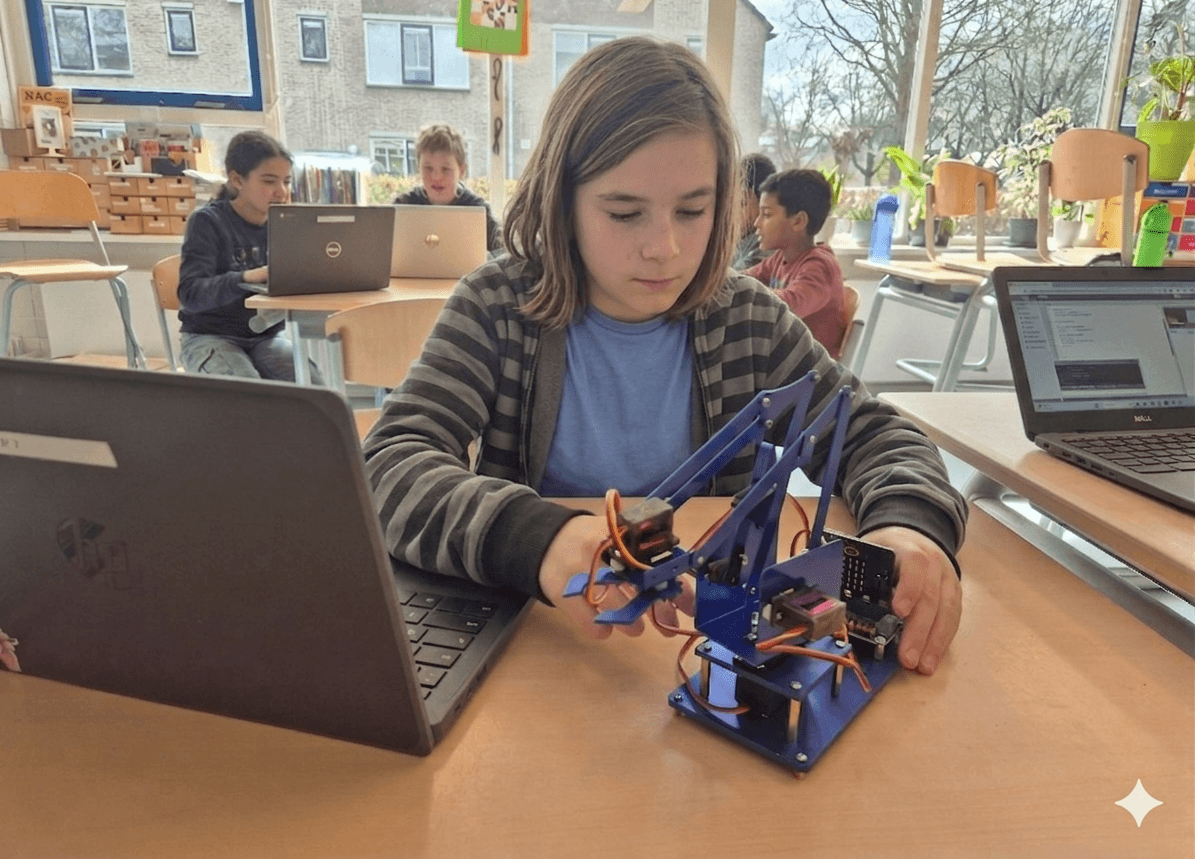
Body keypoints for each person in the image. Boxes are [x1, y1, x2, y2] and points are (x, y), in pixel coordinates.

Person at [363, 37, 965, 677]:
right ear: (560, 200)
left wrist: (911, 529)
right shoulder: (498, 307)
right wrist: (539, 538)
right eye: (625, 213)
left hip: (710, 664)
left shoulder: (749, 322)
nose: (666, 248)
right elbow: (391, 462)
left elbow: (875, 433)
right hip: (544, 652)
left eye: (693, 210)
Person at [177, 130, 323, 383]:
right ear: (237, 180)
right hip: (209, 337)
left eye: (286, 182)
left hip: (266, 336)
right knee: (250, 396)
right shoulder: (207, 222)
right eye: (269, 181)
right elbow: (190, 294)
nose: (281, 191)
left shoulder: (286, 223)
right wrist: (248, 277)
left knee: (316, 390)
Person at [744, 168, 846, 356]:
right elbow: (742, 281)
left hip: (808, 374)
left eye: (766, 215)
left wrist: (743, 296)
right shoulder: (779, 259)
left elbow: (789, 306)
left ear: (798, 221)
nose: (757, 223)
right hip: (784, 363)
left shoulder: (819, 266)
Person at [392, 123, 503, 253]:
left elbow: (500, 253)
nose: (437, 176)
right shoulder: (402, 206)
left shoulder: (478, 209)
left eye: (446, 169)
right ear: (419, 168)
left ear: (461, 171)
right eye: (428, 168)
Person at [730, 152, 775, 271]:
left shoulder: (767, 246)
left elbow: (735, 283)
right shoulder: (739, 240)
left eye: (741, 203)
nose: (732, 213)